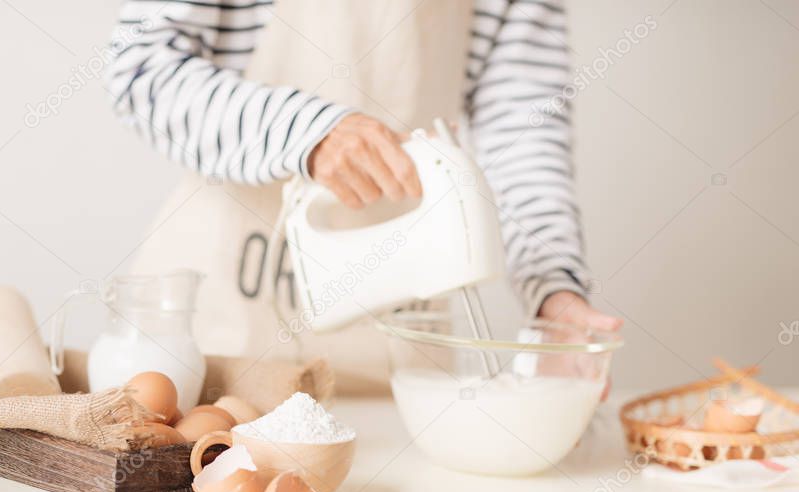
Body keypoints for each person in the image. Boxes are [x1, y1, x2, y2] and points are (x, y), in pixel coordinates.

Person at [105, 0, 622, 394]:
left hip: (398, 352)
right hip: (221, 338)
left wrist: (553, 292)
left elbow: (523, 137)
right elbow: (142, 70)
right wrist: (307, 131)